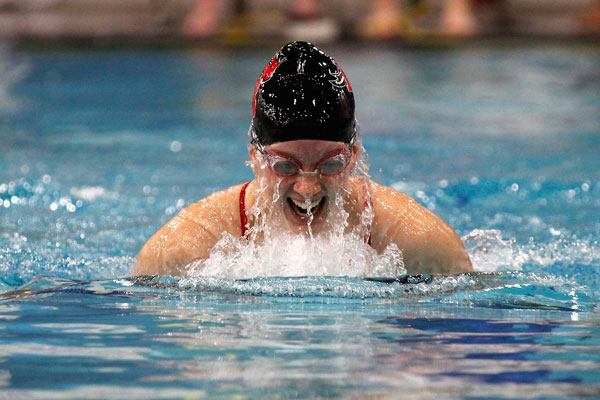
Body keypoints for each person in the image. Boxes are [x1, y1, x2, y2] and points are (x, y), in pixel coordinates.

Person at [133, 41, 472, 277]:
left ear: (353, 157)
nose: (308, 187)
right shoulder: (186, 248)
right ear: (255, 158)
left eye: (330, 163)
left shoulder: (419, 243)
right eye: (285, 166)